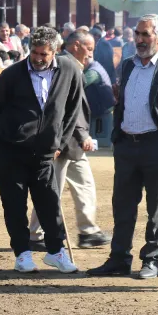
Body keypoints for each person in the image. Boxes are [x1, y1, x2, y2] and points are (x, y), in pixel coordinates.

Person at [87, 15, 158, 280]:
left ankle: (151, 260)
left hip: (157, 147)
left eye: (146, 34)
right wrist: (117, 134)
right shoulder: (127, 65)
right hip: (126, 145)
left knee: (156, 208)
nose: (140, 40)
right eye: (138, 34)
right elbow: (121, 101)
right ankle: (119, 259)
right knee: (122, 206)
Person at [0, 26, 84, 274]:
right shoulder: (10, 75)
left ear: (55, 50)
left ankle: (56, 252)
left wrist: (60, 143)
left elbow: (73, 109)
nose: (39, 58)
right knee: (14, 206)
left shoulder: (70, 70)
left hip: (46, 152)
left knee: (49, 204)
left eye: (44, 54)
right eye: (35, 53)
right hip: (12, 152)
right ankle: (22, 254)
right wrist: (15, 133)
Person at [45, 30, 111, 249]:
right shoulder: (65, 64)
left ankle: (88, 231)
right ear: (75, 46)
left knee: (84, 185)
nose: (91, 55)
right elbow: (65, 108)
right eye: (88, 48)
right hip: (62, 140)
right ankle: (36, 235)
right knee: (50, 190)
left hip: (73, 141)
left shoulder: (73, 65)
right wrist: (82, 135)